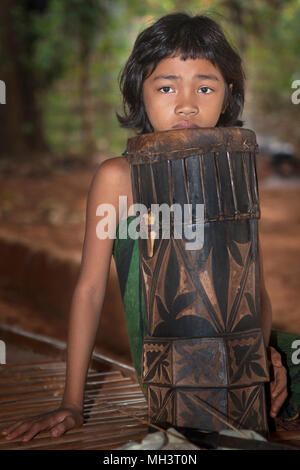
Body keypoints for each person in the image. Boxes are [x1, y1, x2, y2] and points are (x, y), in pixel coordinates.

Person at [1, 12, 287, 443]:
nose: (186, 103)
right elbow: (90, 289)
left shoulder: (234, 172)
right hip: (175, 377)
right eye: (167, 86)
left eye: (205, 87)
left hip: (242, 363)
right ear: (142, 93)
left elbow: (254, 290)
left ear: (227, 98)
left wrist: (260, 363)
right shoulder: (118, 178)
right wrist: (72, 405)